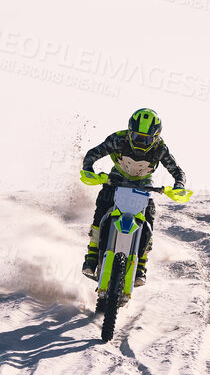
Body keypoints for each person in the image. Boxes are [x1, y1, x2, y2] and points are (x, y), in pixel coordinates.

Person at [79, 108, 188, 285]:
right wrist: (88, 169)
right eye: (137, 137)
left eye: (146, 139)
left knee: (148, 219)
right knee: (102, 208)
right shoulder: (118, 139)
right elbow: (93, 153)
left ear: (156, 137)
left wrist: (178, 186)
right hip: (116, 180)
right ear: (130, 132)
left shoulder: (160, 149)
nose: (140, 143)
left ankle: (141, 267)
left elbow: (177, 171)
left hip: (143, 185)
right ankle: (91, 258)